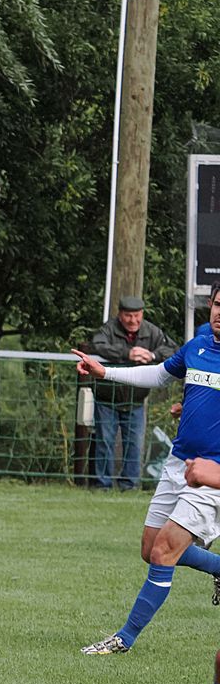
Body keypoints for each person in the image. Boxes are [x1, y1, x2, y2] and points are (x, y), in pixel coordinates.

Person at [74, 281, 220, 655]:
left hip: (213, 477)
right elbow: (158, 375)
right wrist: (105, 371)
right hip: (178, 463)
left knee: (163, 552)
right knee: (150, 548)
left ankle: (124, 639)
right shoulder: (198, 347)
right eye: (218, 304)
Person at [88, 296, 176, 491]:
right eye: (128, 316)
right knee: (105, 442)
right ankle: (102, 485)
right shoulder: (107, 329)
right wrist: (127, 354)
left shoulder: (152, 331)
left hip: (136, 399)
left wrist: (152, 355)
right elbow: (97, 345)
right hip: (106, 397)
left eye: (137, 316)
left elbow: (172, 349)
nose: (133, 320)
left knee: (134, 445)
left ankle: (130, 485)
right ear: (120, 315)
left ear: (142, 314)